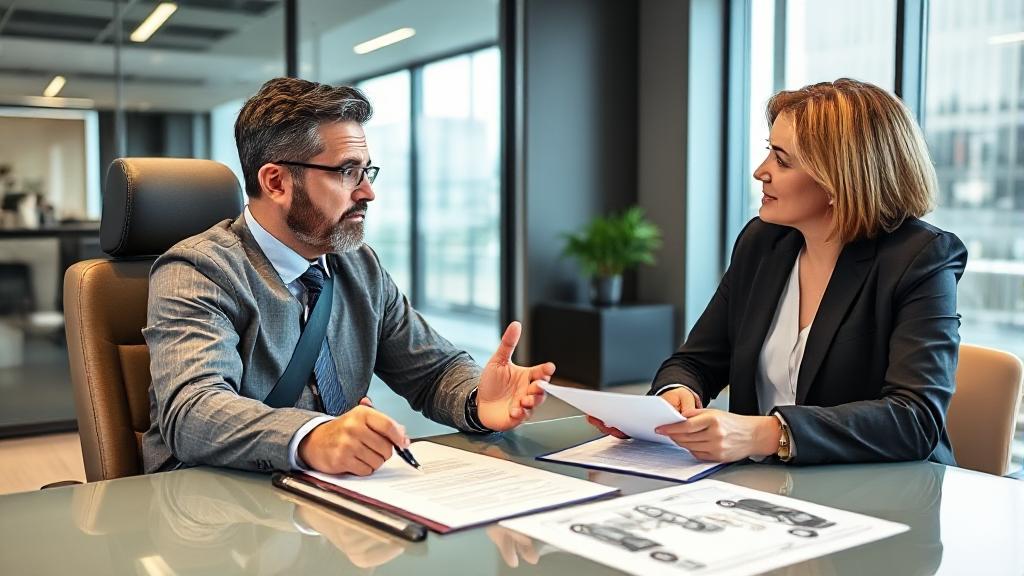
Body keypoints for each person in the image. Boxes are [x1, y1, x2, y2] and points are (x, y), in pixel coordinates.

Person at [142, 77, 554, 476]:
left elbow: (431, 371)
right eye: (346, 172)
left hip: (327, 501)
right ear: (276, 181)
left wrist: (478, 399)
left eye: (366, 172)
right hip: (214, 511)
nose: (367, 192)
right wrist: (313, 437)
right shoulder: (199, 270)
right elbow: (194, 410)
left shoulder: (359, 265)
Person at [588, 78, 967, 465]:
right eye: (769, 151)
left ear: (838, 179)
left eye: (782, 160)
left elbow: (915, 419)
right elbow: (696, 361)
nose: (760, 171)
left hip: (889, 496)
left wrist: (770, 433)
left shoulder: (921, 258)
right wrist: (675, 396)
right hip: (768, 487)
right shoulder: (763, 242)